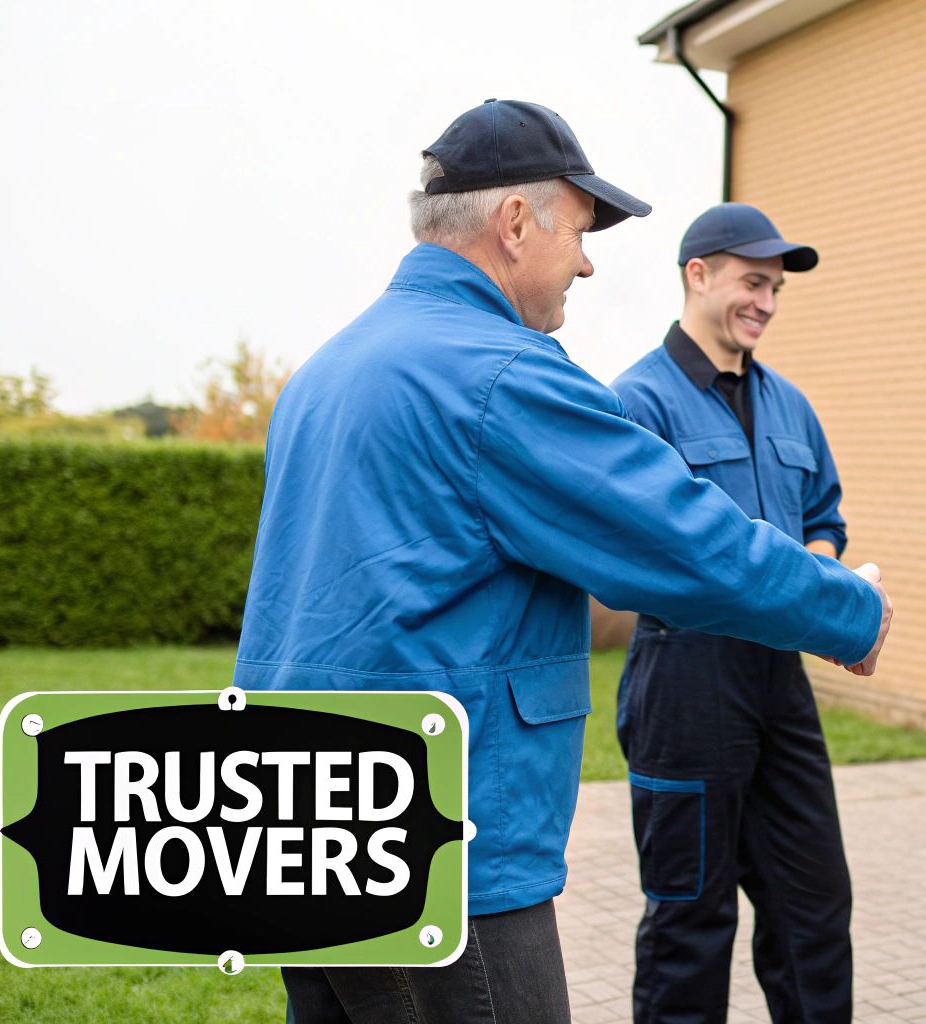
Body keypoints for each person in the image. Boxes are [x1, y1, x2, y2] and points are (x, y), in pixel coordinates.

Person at [233, 100, 891, 1024]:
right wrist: (846, 611)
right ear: (513, 223)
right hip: (440, 847)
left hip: (298, 820)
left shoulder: (328, 370)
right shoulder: (501, 374)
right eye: (580, 233)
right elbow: (678, 539)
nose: (585, 261)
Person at [608, 203, 853, 1024]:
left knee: (814, 910)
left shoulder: (791, 406)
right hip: (685, 677)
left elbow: (824, 517)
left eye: (777, 288)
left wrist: (822, 584)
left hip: (778, 678)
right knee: (691, 916)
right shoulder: (636, 403)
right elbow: (635, 556)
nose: (768, 303)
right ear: (698, 274)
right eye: (754, 282)